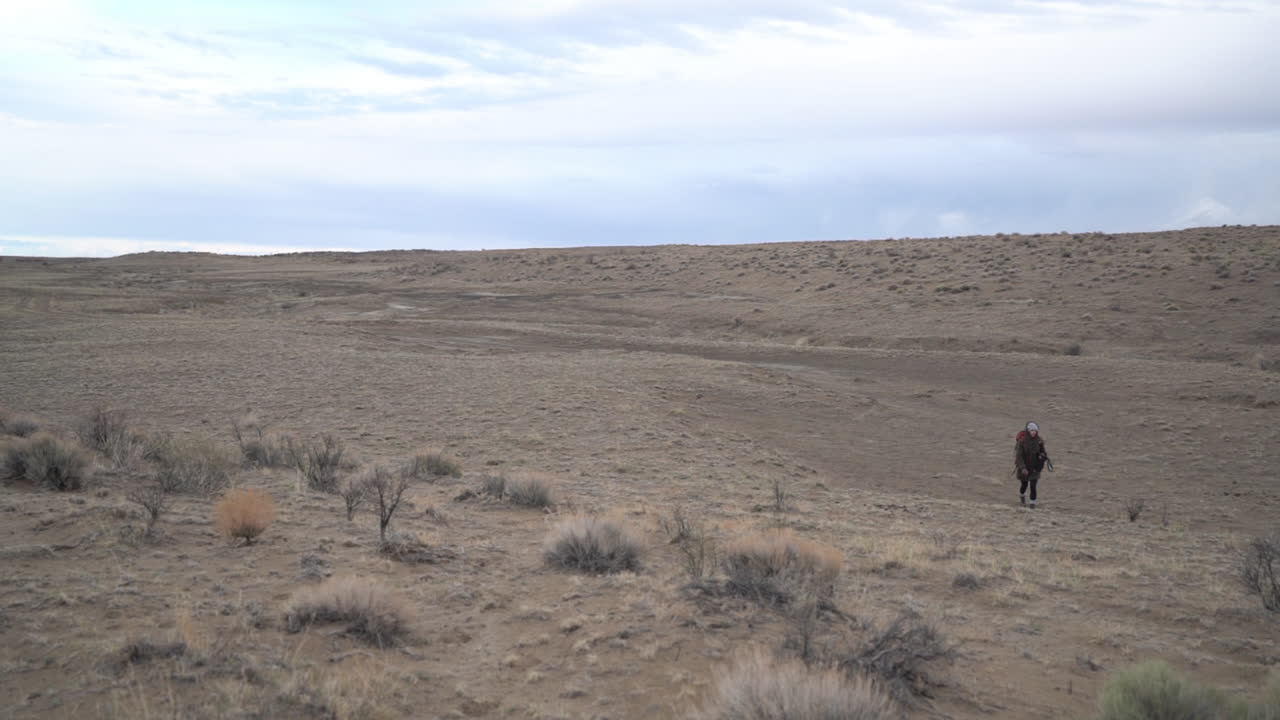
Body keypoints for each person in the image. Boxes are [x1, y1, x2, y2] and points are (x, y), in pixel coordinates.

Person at [1014, 421, 1050, 508]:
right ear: (1028, 431)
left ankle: (1032, 506)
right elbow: (1019, 457)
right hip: (1024, 469)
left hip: (1035, 468)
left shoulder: (1039, 441)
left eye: (1035, 431)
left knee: (1033, 486)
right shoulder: (1022, 442)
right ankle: (1022, 496)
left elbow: (1043, 452)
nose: (1034, 432)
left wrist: (1043, 456)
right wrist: (1022, 468)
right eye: (1032, 430)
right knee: (1024, 485)